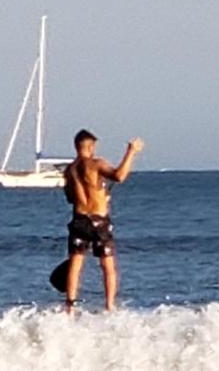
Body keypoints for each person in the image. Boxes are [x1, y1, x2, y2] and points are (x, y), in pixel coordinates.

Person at [62, 129, 144, 312]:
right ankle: (109, 305)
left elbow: (70, 197)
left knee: (75, 264)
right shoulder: (96, 163)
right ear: (91, 146)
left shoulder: (69, 170)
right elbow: (119, 176)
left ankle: (70, 307)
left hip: (79, 220)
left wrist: (96, 193)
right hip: (98, 222)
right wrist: (131, 152)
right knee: (107, 266)